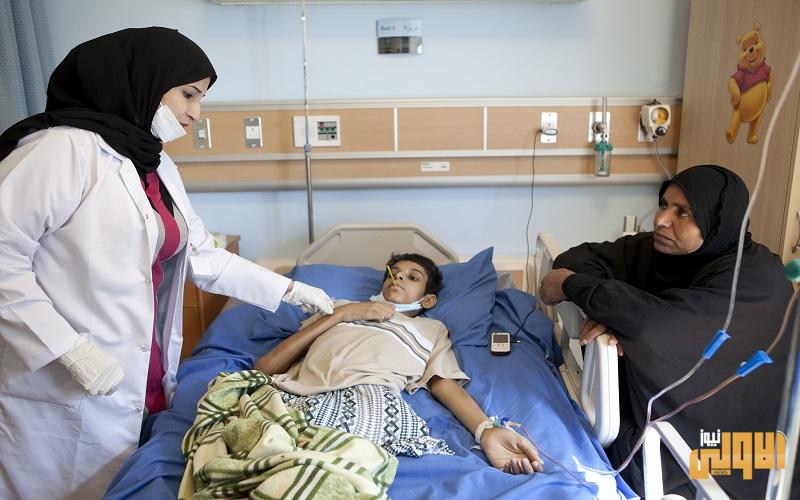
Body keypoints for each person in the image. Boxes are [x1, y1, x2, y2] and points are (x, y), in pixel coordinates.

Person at [0, 27, 333, 499]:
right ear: (143, 82)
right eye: (188, 94)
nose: (196, 113)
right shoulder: (60, 150)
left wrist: (291, 290)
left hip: (143, 371)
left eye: (201, 99)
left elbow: (201, 255)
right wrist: (68, 350)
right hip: (61, 379)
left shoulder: (153, 164)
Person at [539, 165, 793, 498]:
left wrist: (582, 290)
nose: (660, 219)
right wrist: (615, 308)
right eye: (664, 205)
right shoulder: (665, 252)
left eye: (683, 213)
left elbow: (654, 327)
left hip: (740, 449)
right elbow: (577, 258)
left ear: (717, 222)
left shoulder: (757, 282)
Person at [255, 253, 544, 475]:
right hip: (298, 393)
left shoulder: (432, 330)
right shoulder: (338, 307)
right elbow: (265, 368)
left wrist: (485, 430)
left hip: (367, 396)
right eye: (395, 273)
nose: (400, 278)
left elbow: (443, 383)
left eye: (413, 277)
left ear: (428, 300)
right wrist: (342, 315)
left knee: (323, 465)